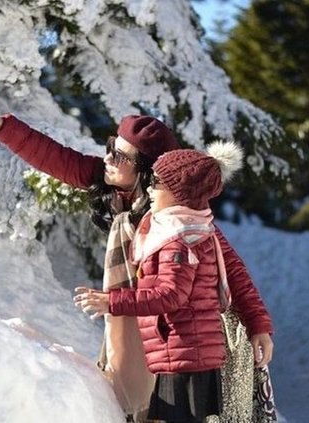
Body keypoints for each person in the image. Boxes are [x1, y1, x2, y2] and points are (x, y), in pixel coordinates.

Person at [0, 90, 275, 420]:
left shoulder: (181, 218)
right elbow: (56, 158)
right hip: (139, 323)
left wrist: (258, 325)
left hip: (177, 333)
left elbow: (232, 269)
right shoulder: (116, 187)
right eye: (111, 148)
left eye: (120, 157)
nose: (108, 158)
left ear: (148, 172)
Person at [74, 142, 246, 422]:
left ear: (180, 193)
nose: (149, 188)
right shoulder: (186, 228)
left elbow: (169, 295)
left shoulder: (178, 239)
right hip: (184, 355)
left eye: (156, 183)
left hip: (184, 359)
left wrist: (112, 301)